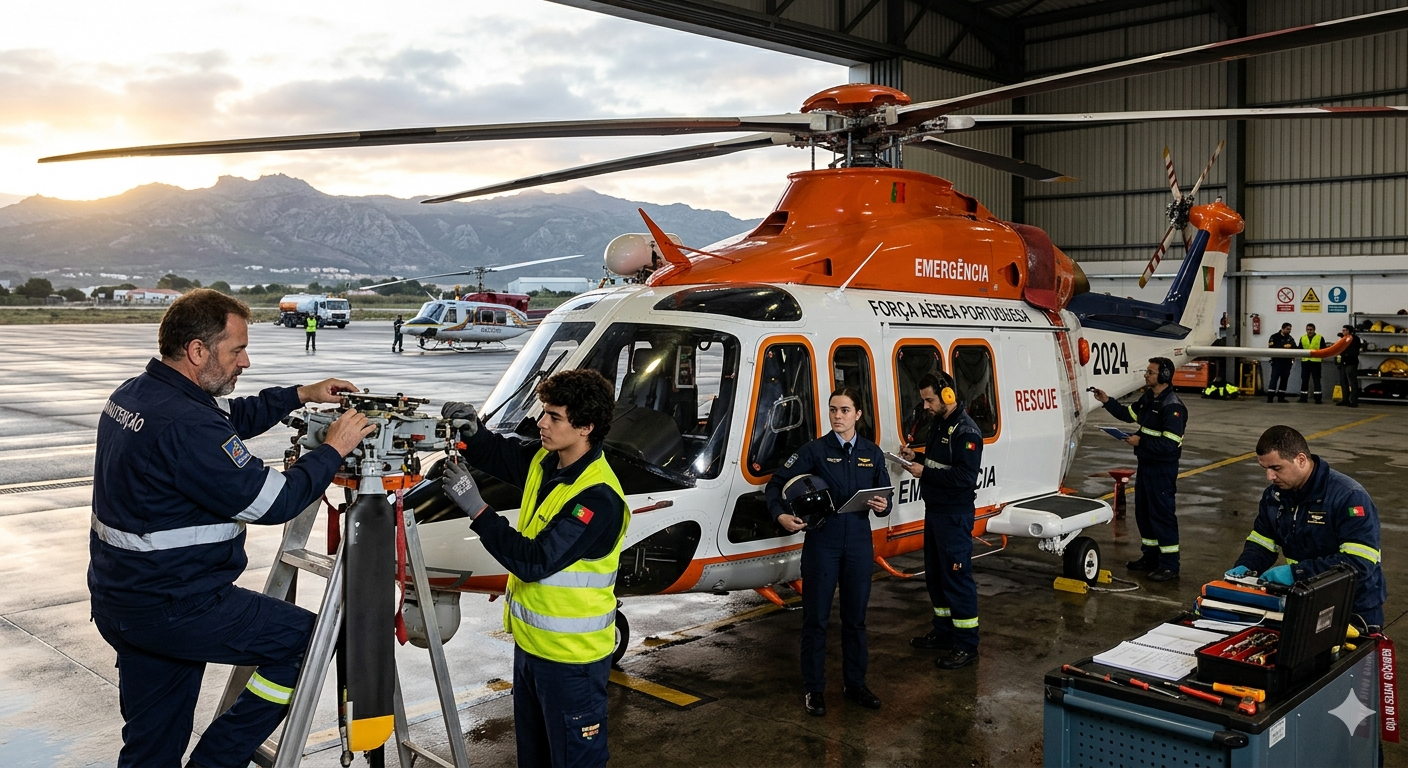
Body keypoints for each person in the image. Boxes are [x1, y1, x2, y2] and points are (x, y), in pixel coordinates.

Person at [89, 289, 373, 768]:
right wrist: (333, 449)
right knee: (308, 640)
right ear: (198, 351)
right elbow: (276, 501)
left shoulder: (138, 394)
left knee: (152, 748)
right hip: (178, 603)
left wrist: (301, 394)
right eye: (236, 350)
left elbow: (230, 418)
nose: (245, 361)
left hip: (124, 599)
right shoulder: (186, 424)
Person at [439, 368, 628, 768]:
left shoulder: (597, 498)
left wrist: (477, 509)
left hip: (572, 660)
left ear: (586, 427)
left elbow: (533, 561)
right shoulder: (547, 462)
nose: (541, 423)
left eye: (554, 417)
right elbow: (503, 455)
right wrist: (474, 433)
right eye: (544, 412)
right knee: (534, 758)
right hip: (531, 649)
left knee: (575, 762)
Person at [766, 388, 891, 717]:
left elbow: (885, 496)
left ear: (858, 415)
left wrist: (883, 505)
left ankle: (856, 684)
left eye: (845, 410)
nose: (837, 416)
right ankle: (814, 689)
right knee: (816, 619)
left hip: (859, 543)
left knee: (855, 620)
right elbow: (775, 484)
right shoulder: (815, 451)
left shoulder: (872, 453)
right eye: (833, 409)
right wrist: (780, 515)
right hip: (823, 543)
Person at [1226, 425, 1384, 632]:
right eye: (1265, 469)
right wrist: (1246, 567)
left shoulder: (1348, 497)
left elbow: (1359, 563)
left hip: (1352, 606)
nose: (1269, 477)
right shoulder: (1275, 497)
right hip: (1304, 598)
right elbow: (1262, 541)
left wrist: (1297, 573)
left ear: (1301, 459)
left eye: (1276, 468)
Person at [900, 371, 984, 670]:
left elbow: (964, 477)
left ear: (948, 395)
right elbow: (941, 464)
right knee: (936, 577)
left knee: (957, 580)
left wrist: (925, 473)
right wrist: (917, 458)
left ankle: (966, 646)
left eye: (929, 400)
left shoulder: (967, 431)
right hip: (936, 511)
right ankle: (944, 632)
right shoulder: (940, 423)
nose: (925, 406)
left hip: (954, 515)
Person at [1092, 357, 1187, 582]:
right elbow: (1128, 415)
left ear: (1164, 376)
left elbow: (1170, 444)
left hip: (1162, 469)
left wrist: (1140, 442)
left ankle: (1169, 565)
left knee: (1162, 515)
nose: (1146, 375)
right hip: (1146, 465)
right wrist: (1106, 401)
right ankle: (1150, 558)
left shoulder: (1173, 406)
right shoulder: (1149, 398)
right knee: (1144, 513)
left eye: (1151, 372)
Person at [1266, 322, 1296, 403]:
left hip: (1287, 362)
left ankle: (1281, 397)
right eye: (1287, 329)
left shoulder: (1290, 338)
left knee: (1284, 379)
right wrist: (1283, 346)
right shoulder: (1274, 337)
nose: (1289, 331)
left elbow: (1294, 348)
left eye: (1290, 329)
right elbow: (1271, 347)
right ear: (1282, 329)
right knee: (1274, 379)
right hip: (1277, 361)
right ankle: (1270, 397)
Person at [1298, 322, 1325, 403]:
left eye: (1311, 330)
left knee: (1316, 380)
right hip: (1305, 362)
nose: (1309, 331)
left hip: (1316, 362)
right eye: (1308, 329)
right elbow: (1299, 349)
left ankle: (1318, 398)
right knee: (1304, 380)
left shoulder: (1320, 338)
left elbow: (1323, 349)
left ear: (1314, 330)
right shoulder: (1303, 338)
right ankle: (1303, 398)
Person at [1336, 324, 1362, 408]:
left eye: (1345, 330)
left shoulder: (1355, 339)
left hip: (1351, 363)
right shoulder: (1343, 339)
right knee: (1343, 381)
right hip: (1343, 362)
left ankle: (1354, 401)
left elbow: (1354, 351)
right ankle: (1345, 399)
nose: (1343, 332)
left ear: (1349, 331)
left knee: (1352, 382)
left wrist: (1345, 355)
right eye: (1343, 330)